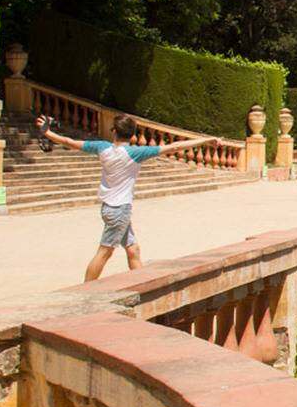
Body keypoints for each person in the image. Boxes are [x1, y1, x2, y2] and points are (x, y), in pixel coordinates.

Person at [37, 113, 220, 282]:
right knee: (104, 252)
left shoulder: (102, 148)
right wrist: (207, 140)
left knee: (133, 249)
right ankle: (85, 291)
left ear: (114, 132)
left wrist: (47, 132)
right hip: (120, 210)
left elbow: (69, 141)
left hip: (109, 208)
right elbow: (176, 146)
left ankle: (142, 284)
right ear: (132, 135)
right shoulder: (135, 153)